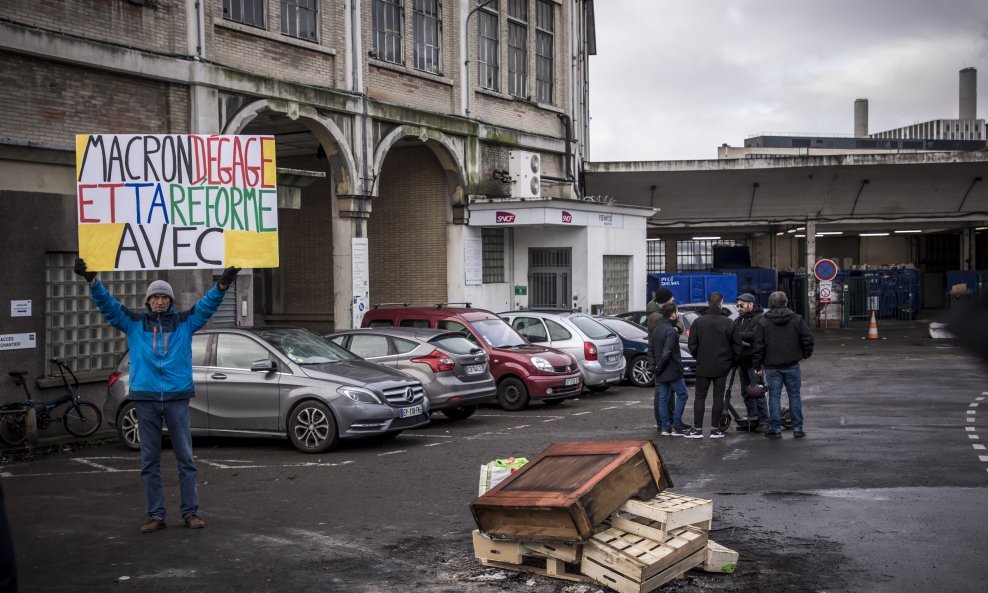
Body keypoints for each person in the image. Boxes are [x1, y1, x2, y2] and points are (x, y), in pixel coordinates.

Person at [74, 258, 240, 532]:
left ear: (170, 301)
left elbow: (207, 305)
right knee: (149, 460)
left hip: (176, 397)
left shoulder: (185, 322)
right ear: (148, 301)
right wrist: (92, 281)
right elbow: (109, 306)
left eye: (164, 296)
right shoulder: (134, 323)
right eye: (155, 297)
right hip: (145, 398)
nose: (160, 301)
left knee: (185, 458)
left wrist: (222, 284)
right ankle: (156, 515)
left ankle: (190, 512)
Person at [751, 291, 814, 439]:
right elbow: (808, 338)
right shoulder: (796, 319)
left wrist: (757, 366)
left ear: (770, 303)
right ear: (786, 302)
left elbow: (758, 345)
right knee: (795, 395)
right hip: (792, 364)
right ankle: (798, 428)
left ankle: (775, 428)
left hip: (772, 366)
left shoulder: (763, 321)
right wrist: (804, 354)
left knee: (774, 396)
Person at [686, 292, 741, 439]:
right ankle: (715, 429)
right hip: (722, 366)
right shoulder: (728, 322)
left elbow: (692, 344)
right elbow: (737, 346)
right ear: (721, 303)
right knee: (718, 397)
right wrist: (731, 362)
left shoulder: (698, 322)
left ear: (708, 303)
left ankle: (697, 429)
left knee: (700, 397)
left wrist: (699, 356)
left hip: (703, 365)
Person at [651, 302, 689, 436]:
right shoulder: (671, 331)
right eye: (677, 312)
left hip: (661, 371)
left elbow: (651, 349)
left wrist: (655, 367)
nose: (677, 314)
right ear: (673, 314)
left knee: (663, 398)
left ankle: (665, 428)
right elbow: (667, 352)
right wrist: (659, 367)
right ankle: (677, 426)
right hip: (672, 370)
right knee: (683, 395)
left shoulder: (657, 329)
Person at [733, 293, 768, 432]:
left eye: (742, 305)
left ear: (750, 305)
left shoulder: (760, 318)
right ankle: (752, 418)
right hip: (742, 361)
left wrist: (738, 336)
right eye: (738, 305)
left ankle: (764, 420)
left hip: (755, 361)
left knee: (757, 391)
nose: (739, 308)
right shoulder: (738, 320)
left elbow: (755, 336)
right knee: (746, 392)